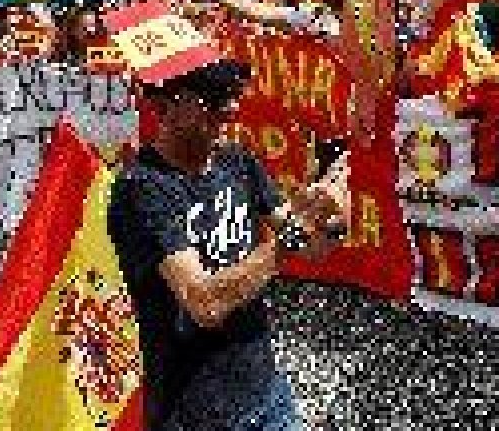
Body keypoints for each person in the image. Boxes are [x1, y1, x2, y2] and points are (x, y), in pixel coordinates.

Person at [108, 59, 344, 431]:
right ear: (166, 104)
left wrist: (331, 218)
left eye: (232, 93)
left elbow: (311, 249)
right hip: (193, 413)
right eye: (214, 96)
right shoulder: (141, 189)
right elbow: (205, 303)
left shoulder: (238, 163)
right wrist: (293, 234)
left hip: (267, 393)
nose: (231, 108)